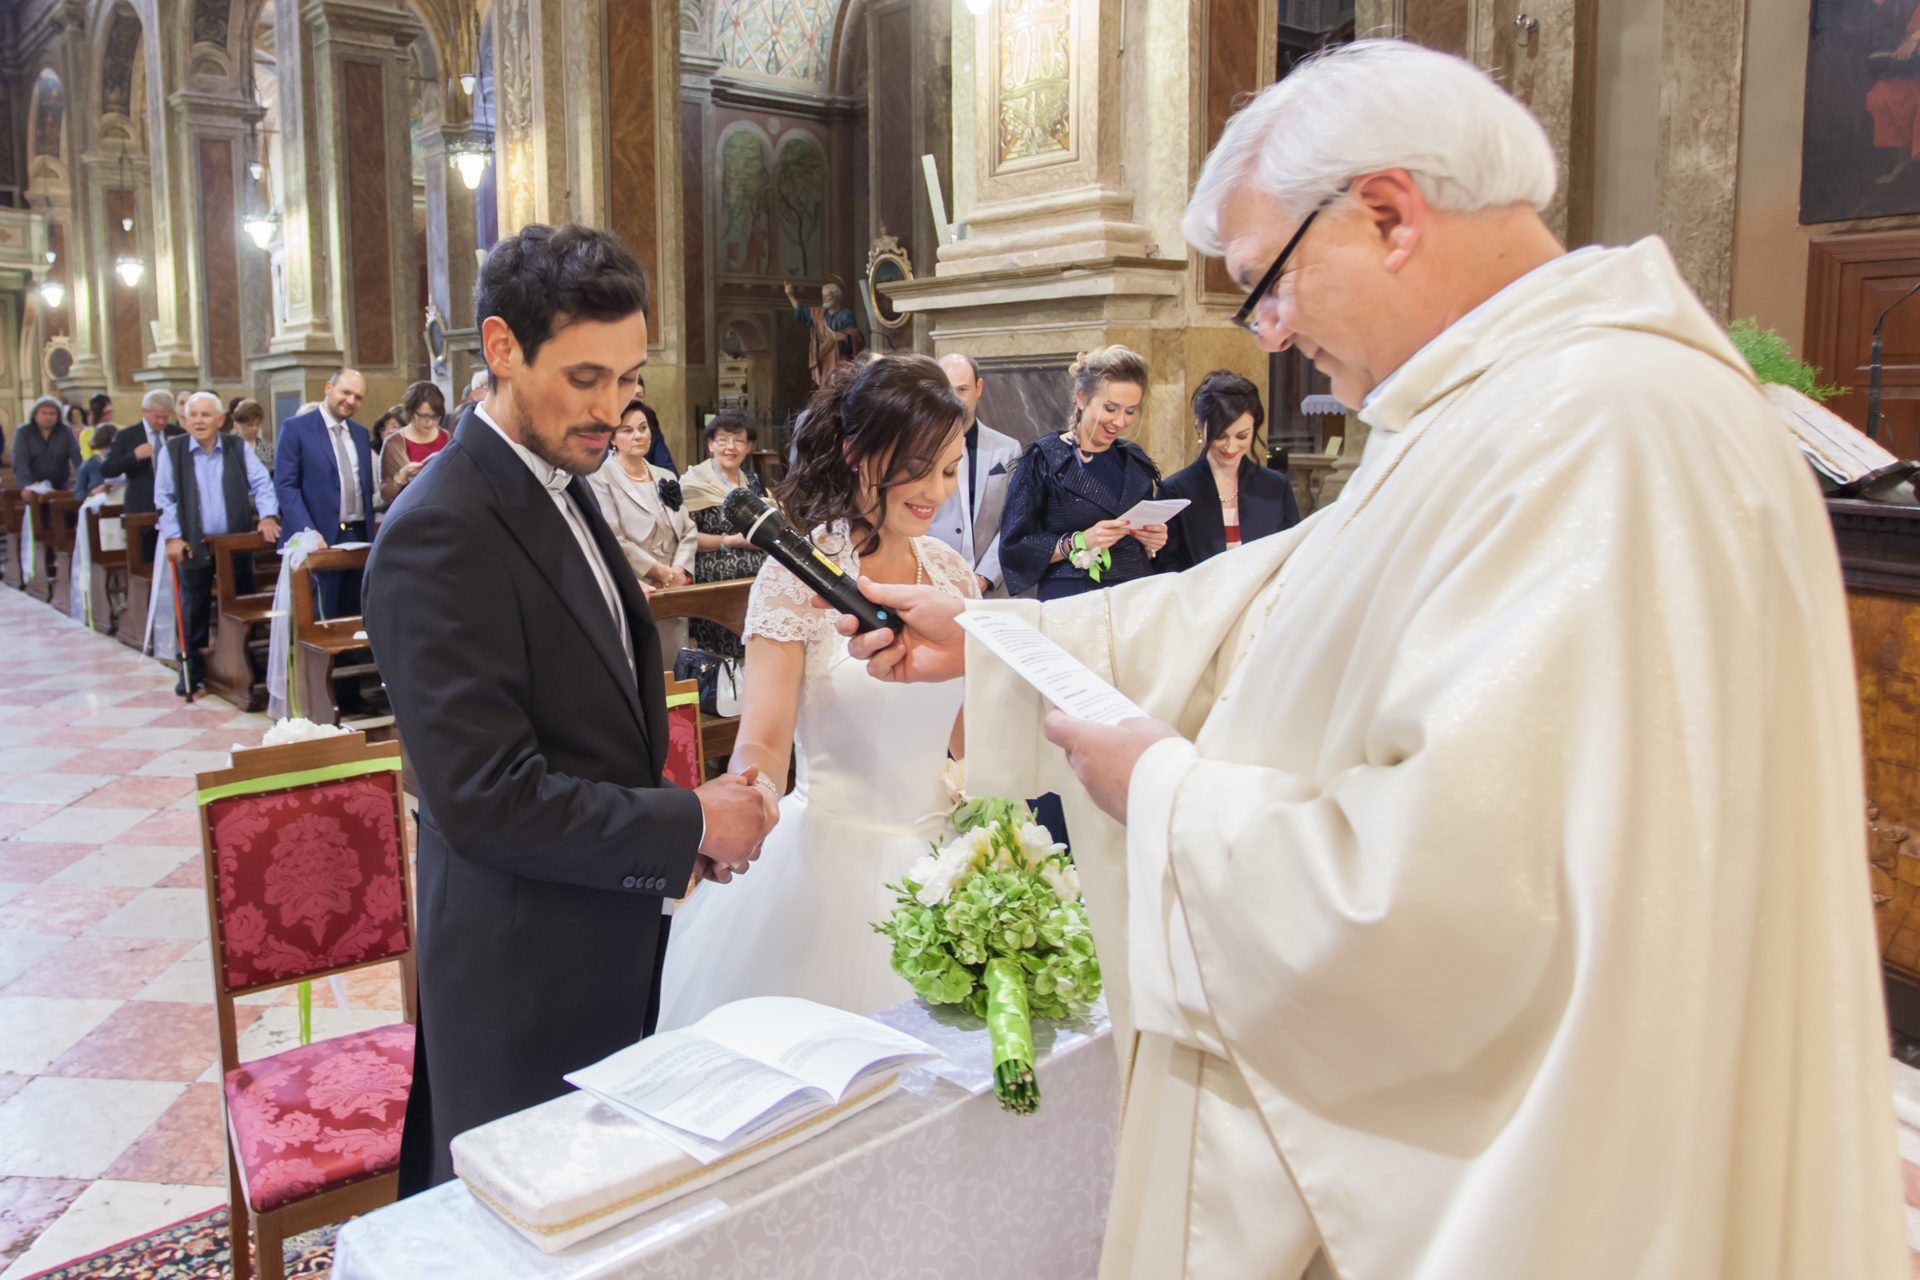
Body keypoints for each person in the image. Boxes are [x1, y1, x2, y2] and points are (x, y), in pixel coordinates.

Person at [833, 40, 1908, 1280]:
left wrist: (1167, 796)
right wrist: (992, 641)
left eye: (1265, 286)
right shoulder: (1502, 409)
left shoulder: (1603, 429)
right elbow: (1280, 596)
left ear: (1389, 213)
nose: (1273, 339)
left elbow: (1463, 895)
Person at [363, 223, 777, 1192]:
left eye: (629, 378)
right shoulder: (438, 531)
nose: (616, 407)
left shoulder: (560, 475)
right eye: (588, 376)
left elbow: (592, 715)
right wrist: (685, 820)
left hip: (608, 939)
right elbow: (487, 798)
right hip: (523, 978)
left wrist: (679, 840)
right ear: (501, 346)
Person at [659, 356, 975, 1029]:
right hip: (829, 866)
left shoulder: (953, 577)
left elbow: (968, 735)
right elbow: (765, 740)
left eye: (949, 469)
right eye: (919, 467)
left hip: (943, 861)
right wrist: (753, 797)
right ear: (859, 454)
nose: (936, 491)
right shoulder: (797, 575)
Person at [997, 346, 1168, 599]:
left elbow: (1146, 540)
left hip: (1135, 598)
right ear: (1081, 398)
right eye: (1111, 408)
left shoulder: (1135, 461)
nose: (1120, 421)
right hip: (1072, 600)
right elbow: (1015, 548)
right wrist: (1078, 541)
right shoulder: (1045, 460)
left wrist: (1153, 542)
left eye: (1130, 411)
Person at [157, 392, 280, 695]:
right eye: (192, 415)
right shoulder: (171, 451)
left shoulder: (237, 447)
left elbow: (262, 483)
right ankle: (190, 670)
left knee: (241, 601)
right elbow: (165, 498)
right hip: (193, 544)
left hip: (234, 544)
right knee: (193, 607)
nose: (198, 421)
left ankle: (244, 662)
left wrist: (267, 516)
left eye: (205, 415)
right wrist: (172, 536)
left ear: (220, 419)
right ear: (185, 420)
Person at [1157, 370, 1299, 572]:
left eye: (1242, 436)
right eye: (1220, 436)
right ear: (1199, 424)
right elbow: (1166, 568)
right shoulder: (1175, 490)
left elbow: (1292, 554)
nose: (1231, 447)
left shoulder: (1276, 487)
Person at [588, 399, 697, 653]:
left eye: (643, 428)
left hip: (674, 590)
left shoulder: (666, 477)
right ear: (612, 438)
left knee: (675, 671)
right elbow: (613, 538)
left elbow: (688, 530)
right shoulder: (599, 479)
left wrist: (678, 571)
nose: (638, 436)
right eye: (627, 430)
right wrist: (660, 572)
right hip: (639, 587)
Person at [273, 367, 375, 615]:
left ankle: (350, 657)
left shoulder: (360, 434)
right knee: (321, 616)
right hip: (317, 537)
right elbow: (286, 486)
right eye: (345, 392)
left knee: (353, 613)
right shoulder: (297, 428)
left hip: (357, 535)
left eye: (358, 397)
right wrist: (309, 532)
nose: (351, 401)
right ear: (328, 388)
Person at [926, 353, 1021, 596]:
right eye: (946, 390)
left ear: (978, 388)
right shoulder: (916, 449)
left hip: (991, 589)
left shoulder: (1008, 449)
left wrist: (985, 576)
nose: (954, 400)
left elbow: (1015, 520)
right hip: (932, 583)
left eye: (962, 389)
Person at [681, 409, 767, 659]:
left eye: (739, 440)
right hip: (716, 587)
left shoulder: (752, 481)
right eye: (723, 440)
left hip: (756, 585)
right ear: (710, 444)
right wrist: (730, 541)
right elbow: (687, 537)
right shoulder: (695, 483)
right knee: (721, 659)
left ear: (748, 446)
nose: (731, 447)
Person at [101, 389, 186, 562]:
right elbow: (107, 469)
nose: (161, 421)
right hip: (141, 508)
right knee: (146, 562)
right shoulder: (126, 435)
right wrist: (134, 456)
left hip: (175, 509)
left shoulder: (177, 434)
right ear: (144, 411)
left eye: (165, 417)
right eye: (156, 417)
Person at [379, 381, 449, 506]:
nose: (429, 422)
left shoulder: (446, 437)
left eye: (435, 417)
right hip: (408, 511)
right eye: (423, 416)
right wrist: (402, 475)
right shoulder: (394, 443)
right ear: (411, 411)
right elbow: (385, 494)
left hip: (441, 508)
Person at [784, 279, 865, 387]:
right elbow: (803, 312)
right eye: (823, 295)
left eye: (827, 295)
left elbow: (857, 337)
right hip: (826, 362)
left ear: (836, 297)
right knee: (826, 387)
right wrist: (790, 296)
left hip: (842, 362)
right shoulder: (820, 315)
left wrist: (844, 337)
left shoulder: (845, 315)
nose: (823, 298)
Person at [11, 395, 81, 490]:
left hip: (61, 486)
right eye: (44, 413)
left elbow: (77, 457)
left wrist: (86, 481)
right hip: (33, 485)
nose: (48, 417)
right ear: (35, 415)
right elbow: (20, 461)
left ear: (58, 416)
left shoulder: (66, 431)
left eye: (52, 414)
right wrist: (26, 486)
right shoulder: (23, 432)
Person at [634, 374, 677, 473]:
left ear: (644, 400)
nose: (633, 402)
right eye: (627, 430)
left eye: (638, 396)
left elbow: (666, 467)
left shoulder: (651, 423)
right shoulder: (604, 427)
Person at [227, 399, 273, 471]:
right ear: (238, 423)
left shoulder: (267, 449)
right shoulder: (228, 446)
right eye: (249, 425)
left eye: (257, 424)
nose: (254, 429)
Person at [73, 425, 117, 498]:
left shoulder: (125, 461)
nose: (108, 450)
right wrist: (93, 492)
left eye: (110, 446)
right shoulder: (89, 464)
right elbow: (78, 494)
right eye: (104, 446)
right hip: (99, 504)